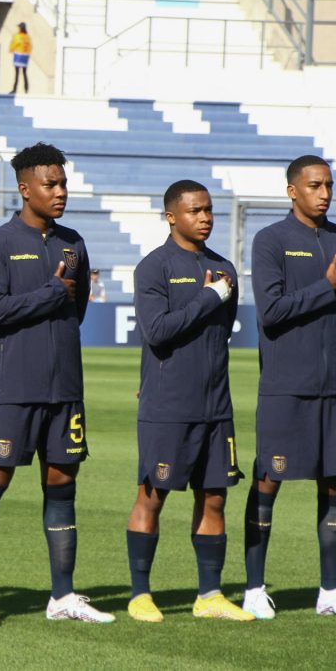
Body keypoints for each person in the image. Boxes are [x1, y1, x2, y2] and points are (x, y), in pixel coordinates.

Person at [0, 142, 113, 626]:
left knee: (62, 486)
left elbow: (78, 310)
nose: (60, 191)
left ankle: (63, 596)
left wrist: (57, 306)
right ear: (24, 188)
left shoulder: (74, 243)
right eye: (50, 184)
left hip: (65, 390)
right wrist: (49, 292)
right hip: (14, 389)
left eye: (63, 182)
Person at [242, 155, 336, 620]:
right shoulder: (270, 241)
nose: (324, 193)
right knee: (268, 480)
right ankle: (254, 588)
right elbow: (271, 312)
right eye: (315, 185)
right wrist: (327, 284)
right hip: (286, 387)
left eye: (329, 185)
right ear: (292, 190)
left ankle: (331, 591)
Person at [126, 180, 253, 623]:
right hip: (168, 406)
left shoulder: (225, 268)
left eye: (209, 210)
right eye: (195, 210)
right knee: (153, 495)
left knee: (214, 498)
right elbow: (157, 332)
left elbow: (220, 334)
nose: (205, 218)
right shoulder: (153, 268)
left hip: (216, 406)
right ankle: (140, 594)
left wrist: (217, 292)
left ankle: (210, 595)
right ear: (171, 216)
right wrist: (208, 295)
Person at [8, 22, 31, 94]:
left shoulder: (17, 36)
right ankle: (26, 89)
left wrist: (11, 49)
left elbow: (13, 45)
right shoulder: (27, 37)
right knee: (24, 73)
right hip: (25, 56)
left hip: (18, 56)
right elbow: (30, 46)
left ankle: (14, 89)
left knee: (17, 73)